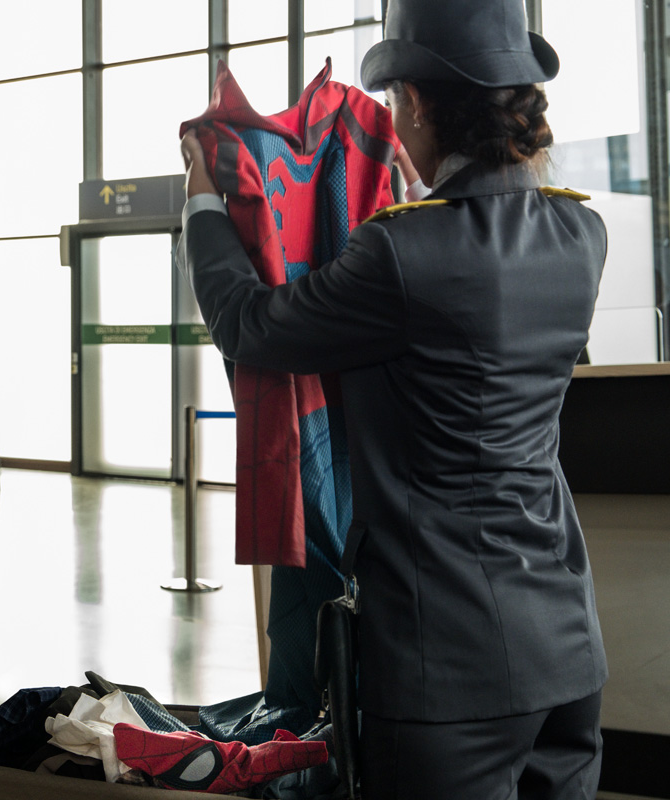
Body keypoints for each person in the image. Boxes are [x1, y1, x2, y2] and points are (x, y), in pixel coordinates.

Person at [179, 0, 608, 798]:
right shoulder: (581, 235)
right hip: (567, 647)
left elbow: (251, 326)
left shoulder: (401, 249)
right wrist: (427, 192)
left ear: (413, 102)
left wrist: (203, 204)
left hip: (447, 667)